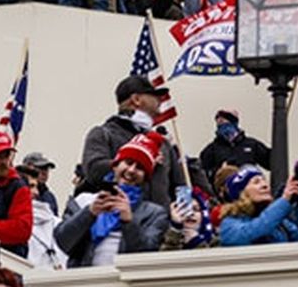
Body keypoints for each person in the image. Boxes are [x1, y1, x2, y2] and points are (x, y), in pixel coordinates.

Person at [56, 132, 169, 265]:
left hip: (126, 283)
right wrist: (89, 213)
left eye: (140, 168)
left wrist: (129, 222)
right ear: (115, 165)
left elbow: (147, 257)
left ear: (145, 177)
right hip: (85, 280)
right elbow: (63, 242)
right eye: (128, 162)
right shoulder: (84, 200)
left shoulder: (153, 213)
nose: (132, 170)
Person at [81, 75, 182, 208]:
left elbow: (179, 185)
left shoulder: (163, 144)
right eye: (154, 95)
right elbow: (94, 171)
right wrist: (135, 160)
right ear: (136, 99)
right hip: (120, 221)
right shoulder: (103, 134)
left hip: (160, 223)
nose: (160, 100)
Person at [215, 165, 298, 246]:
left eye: (264, 181)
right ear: (241, 193)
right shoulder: (228, 224)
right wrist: (284, 199)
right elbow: (254, 231)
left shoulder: (282, 224)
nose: (265, 185)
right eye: (256, 182)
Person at [198, 109, 270, 182]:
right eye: (219, 126)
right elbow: (202, 174)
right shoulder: (211, 150)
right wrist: (220, 170)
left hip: (249, 187)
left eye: (225, 124)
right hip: (223, 189)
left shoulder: (252, 145)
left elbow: (271, 163)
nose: (223, 128)